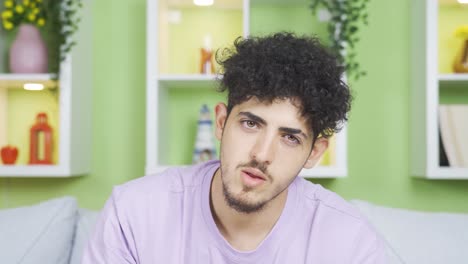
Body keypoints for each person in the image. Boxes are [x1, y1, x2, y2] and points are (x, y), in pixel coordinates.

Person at [82, 32, 387, 263]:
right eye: (251, 124)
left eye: (290, 137)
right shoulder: (134, 214)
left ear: (315, 152)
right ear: (221, 122)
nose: (262, 154)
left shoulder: (349, 242)